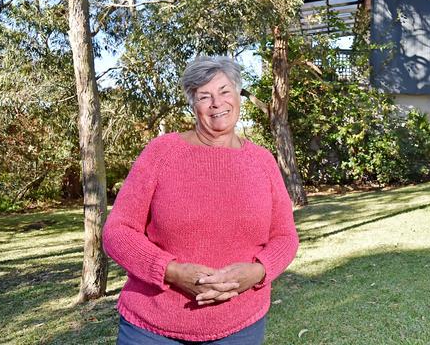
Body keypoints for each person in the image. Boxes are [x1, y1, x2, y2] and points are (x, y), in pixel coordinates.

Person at [103, 56, 299, 344]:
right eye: (204, 96)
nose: (217, 103)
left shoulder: (262, 161)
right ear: (193, 105)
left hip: (240, 327)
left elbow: (285, 237)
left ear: (238, 95)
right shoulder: (161, 153)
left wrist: (258, 272)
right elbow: (117, 232)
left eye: (224, 91)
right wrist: (171, 272)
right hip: (152, 328)